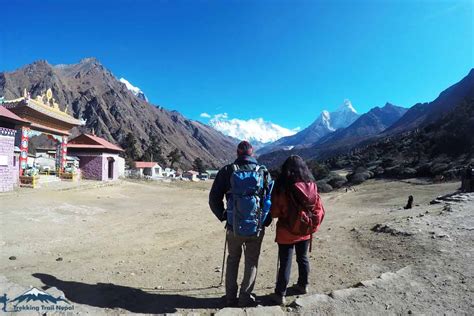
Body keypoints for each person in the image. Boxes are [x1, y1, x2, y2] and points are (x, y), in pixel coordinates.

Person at [209, 141, 272, 307]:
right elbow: (270, 198)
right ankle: (245, 298)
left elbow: (213, 198)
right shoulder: (263, 171)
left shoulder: (227, 170)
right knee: (251, 261)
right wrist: (266, 219)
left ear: (237, 153)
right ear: (252, 153)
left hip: (233, 226)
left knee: (233, 259)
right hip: (256, 226)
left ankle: (230, 298)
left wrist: (223, 215)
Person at [270, 155, 325, 305]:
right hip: (305, 230)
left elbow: (275, 212)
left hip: (286, 232)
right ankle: (303, 285)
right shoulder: (311, 184)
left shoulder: (282, 186)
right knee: (303, 258)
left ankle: (280, 293)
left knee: (285, 262)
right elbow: (318, 208)